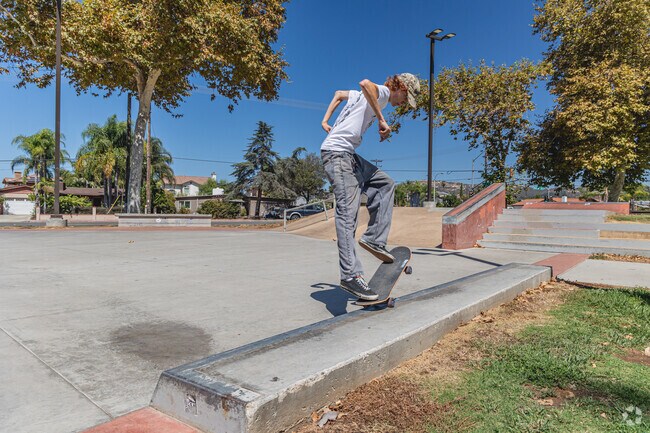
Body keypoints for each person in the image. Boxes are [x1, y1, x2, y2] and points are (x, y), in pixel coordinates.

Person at [320, 73, 420, 300]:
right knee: (347, 214)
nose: (403, 104)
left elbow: (338, 95)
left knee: (384, 183)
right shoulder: (383, 93)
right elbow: (365, 84)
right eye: (406, 98)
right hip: (338, 156)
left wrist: (325, 121)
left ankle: (374, 238)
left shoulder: (359, 97)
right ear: (401, 87)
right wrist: (381, 119)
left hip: (348, 156)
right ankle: (350, 275)